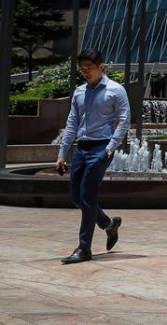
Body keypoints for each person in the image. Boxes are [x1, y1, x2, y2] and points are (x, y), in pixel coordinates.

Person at [55, 48, 131, 264]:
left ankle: (84, 248)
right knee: (77, 197)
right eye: (82, 69)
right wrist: (62, 154)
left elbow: (124, 121)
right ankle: (109, 224)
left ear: (101, 67)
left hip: (101, 148)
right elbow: (72, 123)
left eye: (89, 68)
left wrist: (109, 149)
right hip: (81, 148)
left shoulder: (116, 90)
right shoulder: (79, 92)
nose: (85, 72)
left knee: (88, 197)